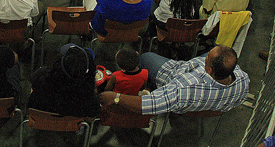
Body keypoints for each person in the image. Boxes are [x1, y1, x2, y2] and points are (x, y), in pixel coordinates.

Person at [99, 46, 249, 116]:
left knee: (146, 57)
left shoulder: (183, 88)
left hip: (171, 75)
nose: (204, 58)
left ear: (209, 70)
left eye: (206, 59)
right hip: (203, 104)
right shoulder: (243, 80)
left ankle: (151, 84)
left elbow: (146, 105)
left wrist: (116, 97)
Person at [28, 43, 100, 118]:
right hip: (69, 128)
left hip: (39, 123)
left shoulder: (41, 76)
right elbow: (92, 116)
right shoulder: (88, 98)